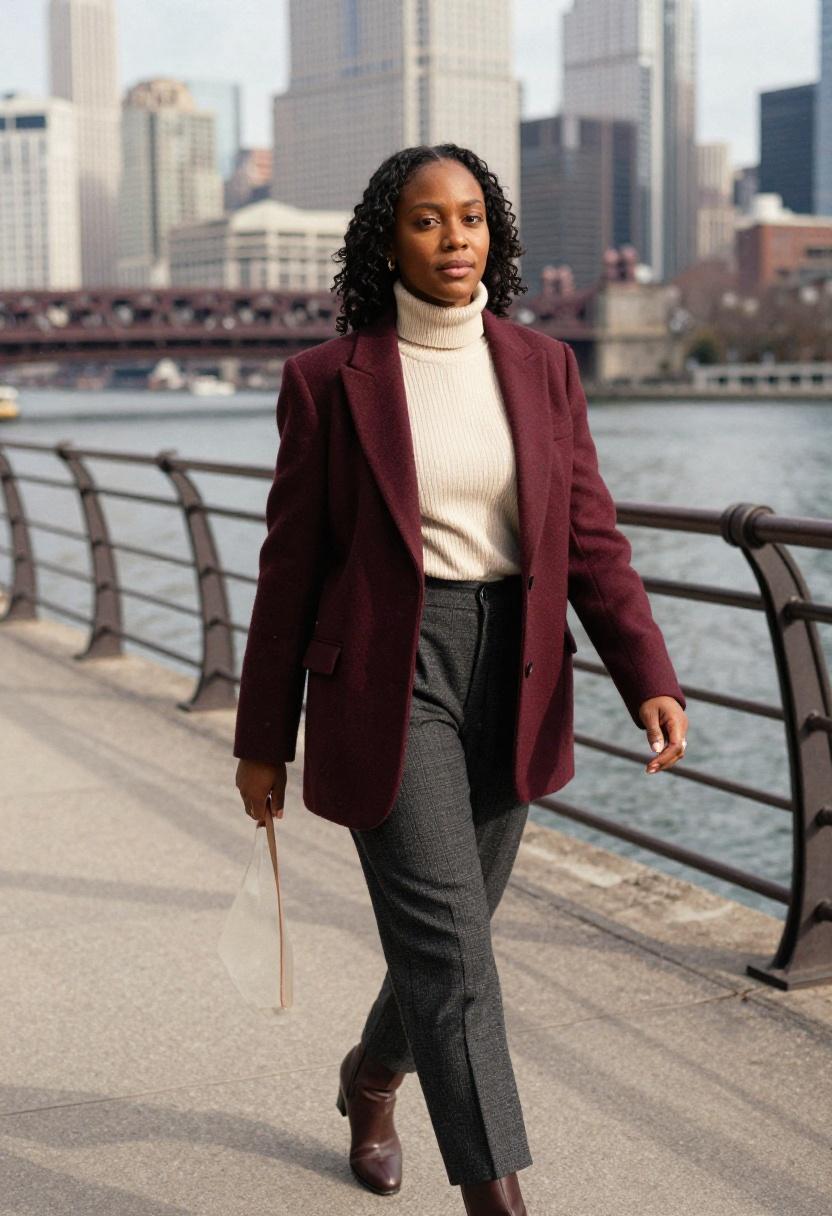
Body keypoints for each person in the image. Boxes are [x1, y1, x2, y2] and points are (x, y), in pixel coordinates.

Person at [233, 143, 689, 1215]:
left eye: (472, 218)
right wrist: (263, 735)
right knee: (455, 958)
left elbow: (589, 538)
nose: (454, 239)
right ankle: (497, 1198)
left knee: (453, 932)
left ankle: (370, 1076)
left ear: (496, 233)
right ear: (388, 236)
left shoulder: (542, 366)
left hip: (516, 672)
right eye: (429, 220)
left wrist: (646, 671)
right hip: (388, 682)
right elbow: (289, 568)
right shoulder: (327, 382)